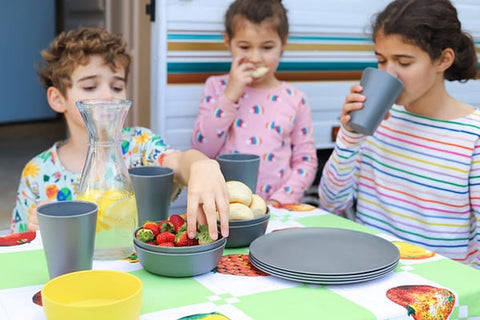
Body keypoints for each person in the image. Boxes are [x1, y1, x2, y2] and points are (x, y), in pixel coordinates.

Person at [10, 27, 230, 240]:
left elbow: (180, 162)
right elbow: (19, 242)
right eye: (90, 87)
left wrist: (200, 165)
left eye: (117, 87)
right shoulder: (38, 172)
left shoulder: (140, 145)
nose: (108, 96)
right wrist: (36, 231)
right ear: (58, 99)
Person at [319, 0, 480, 269]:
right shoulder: (378, 120)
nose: (388, 73)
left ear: (443, 59)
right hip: (367, 270)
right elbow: (331, 203)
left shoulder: (472, 136)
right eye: (381, 61)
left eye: (403, 62)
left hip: (441, 287)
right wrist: (350, 135)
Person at [191, 0, 318, 206]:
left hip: (279, 210)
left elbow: (306, 161)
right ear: (227, 42)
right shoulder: (216, 87)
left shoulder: (295, 98)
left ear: (283, 42)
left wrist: (280, 201)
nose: (255, 58)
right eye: (244, 47)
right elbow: (202, 149)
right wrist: (231, 94)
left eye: (267, 47)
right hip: (225, 208)